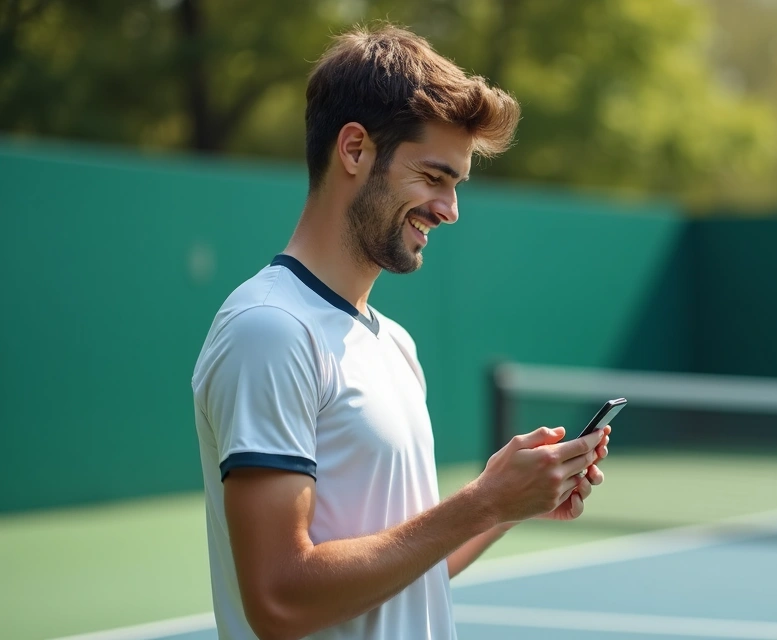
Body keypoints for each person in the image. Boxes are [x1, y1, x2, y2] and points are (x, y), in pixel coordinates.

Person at [191, 23, 609, 640]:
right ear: (355, 149)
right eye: (434, 177)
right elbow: (279, 599)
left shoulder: (394, 345)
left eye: (456, 185)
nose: (450, 209)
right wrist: (483, 502)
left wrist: (512, 504)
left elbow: (411, 566)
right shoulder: (269, 331)